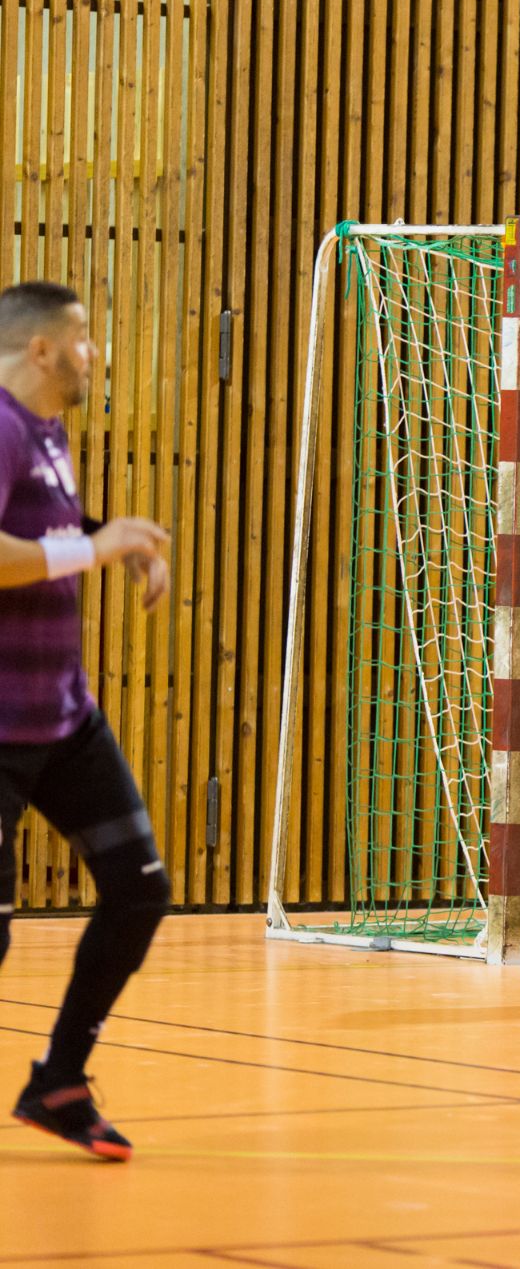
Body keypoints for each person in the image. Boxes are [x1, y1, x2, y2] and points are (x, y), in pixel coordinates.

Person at [0, 281, 173, 1161]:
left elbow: (53, 527)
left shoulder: (46, 433)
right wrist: (92, 547)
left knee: (139, 889)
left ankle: (59, 1081)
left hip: (62, 718)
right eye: (81, 336)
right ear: (40, 349)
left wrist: (117, 538)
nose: (93, 351)